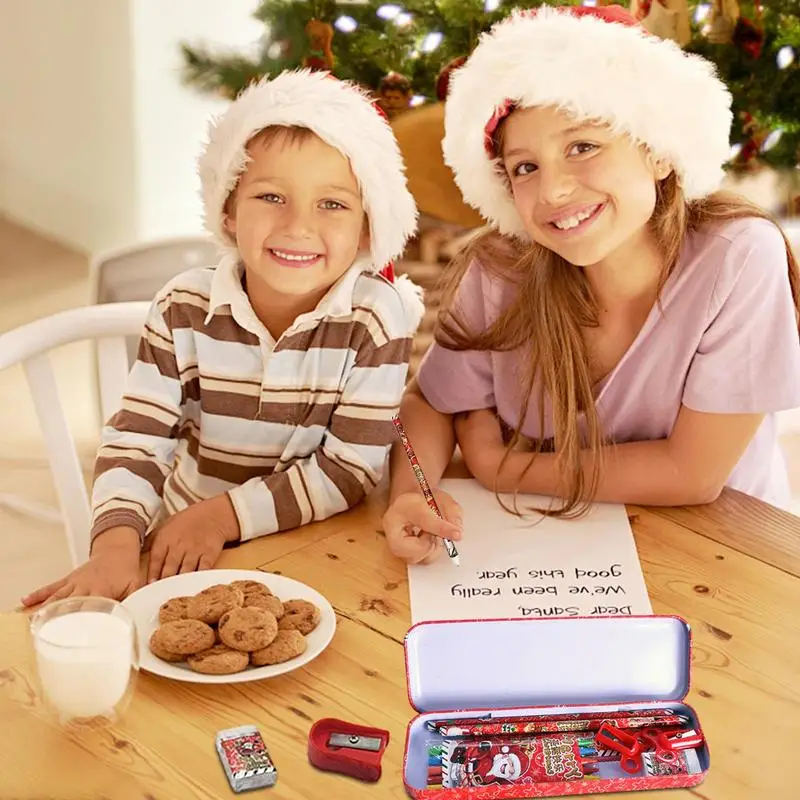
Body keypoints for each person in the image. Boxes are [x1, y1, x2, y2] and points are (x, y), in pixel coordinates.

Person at [382, 4, 800, 565]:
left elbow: (693, 474)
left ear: (656, 151)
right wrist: (415, 492)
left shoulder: (737, 256)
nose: (553, 191)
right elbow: (432, 403)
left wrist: (502, 466)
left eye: (582, 147)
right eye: (526, 167)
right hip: (551, 553)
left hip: (723, 558)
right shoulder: (500, 269)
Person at [24, 69, 424, 606]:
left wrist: (221, 517)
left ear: (368, 229)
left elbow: (348, 469)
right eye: (270, 196)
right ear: (228, 212)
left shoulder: (376, 318)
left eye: (332, 203)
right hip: (185, 546)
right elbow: (137, 441)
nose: (298, 226)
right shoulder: (182, 309)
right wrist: (117, 543)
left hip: (321, 543)